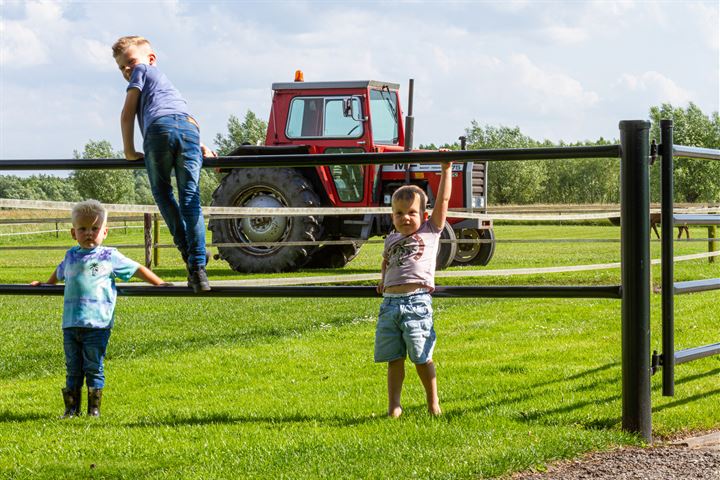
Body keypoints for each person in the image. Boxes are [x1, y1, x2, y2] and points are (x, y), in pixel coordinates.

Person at [31, 200, 167, 418]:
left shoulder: (109, 256)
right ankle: (71, 410)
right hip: (71, 324)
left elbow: (137, 269)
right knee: (73, 368)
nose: (89, 233)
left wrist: (159, 284)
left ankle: (93, 410)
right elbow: (57, 276)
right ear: (73, 233)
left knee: (93, 366)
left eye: (95, 229)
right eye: (83, 229)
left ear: (105, 231)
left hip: (98, 325)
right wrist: (44, 285)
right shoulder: (70, 256)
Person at [112, 35, 213, 292]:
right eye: (121, 67)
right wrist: (199, 145)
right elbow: (179, 120)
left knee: (163, 192)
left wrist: (129, 151)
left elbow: (128, 113)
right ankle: (198, 266)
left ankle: (190, 254)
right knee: (191, 199)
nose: (127, 69)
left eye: (129, 62)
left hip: (159, 129)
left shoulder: (142, 71)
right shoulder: (169, 86)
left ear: (151, 59)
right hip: (190, 127)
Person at [375, 161, 452, 418]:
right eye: (398, 213)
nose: (405, 217)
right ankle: (394, 406)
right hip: (389, 304)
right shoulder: (391, 238)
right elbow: (386, 260)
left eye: (411, 212)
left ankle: (433, 403)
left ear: (424, 216)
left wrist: (446, 170)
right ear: (392, 216)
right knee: (393, 358)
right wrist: (382, 279)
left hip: (416, 302)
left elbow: (443, 202)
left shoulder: (430, 232)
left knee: (421, 356)